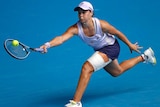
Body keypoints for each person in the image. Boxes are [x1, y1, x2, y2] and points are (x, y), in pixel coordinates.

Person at [40, 1, 156, 107]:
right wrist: (48, 44)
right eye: (79, 13)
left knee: (87, 67)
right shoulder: (75, 28)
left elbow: (117, 33)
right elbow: (61, 38)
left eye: (84, 12)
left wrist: (130, 44)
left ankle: (76, 102)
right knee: (117, 71)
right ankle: (145, 56)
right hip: (101, 50)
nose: (81, 15)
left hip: (111, 47)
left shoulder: (101, 24)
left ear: (91, 13)